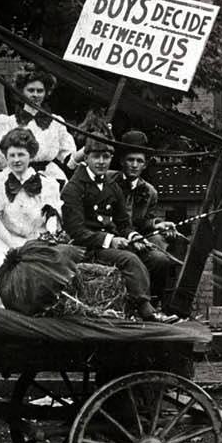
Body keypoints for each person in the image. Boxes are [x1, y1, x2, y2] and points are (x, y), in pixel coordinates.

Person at [60, 130, 179, 323]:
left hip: (111, 241)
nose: (101, 162)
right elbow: (77, 231)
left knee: (155, 257)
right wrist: (111, 240)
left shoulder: (110, 186)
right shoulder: (74, 188)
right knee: (129, 260)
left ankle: (155, 305)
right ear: (86, 158)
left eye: (106, 157)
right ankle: (145, 310)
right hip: (89, 247)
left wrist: (132, 237)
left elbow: (123, 222)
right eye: (96, 156)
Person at [0, 126, 62, 268]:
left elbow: (51, 215)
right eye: (12, 155)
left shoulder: (47, 183)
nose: (16, 160)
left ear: (30, 156)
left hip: (35, 239)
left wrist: (49, 236)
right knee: (9, 267)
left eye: (21, 155)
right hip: (4, 241)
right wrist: (14, 245)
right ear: (6, 157)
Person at [10, 68, 78, 184]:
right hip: (19, 175)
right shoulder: (9, 122)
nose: (35, 95)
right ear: (21, 91)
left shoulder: (56, 122)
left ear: (46, 92)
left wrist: (85, 151)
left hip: (50, 176)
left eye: (40, 91)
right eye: (31, 90)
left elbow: (68, 157)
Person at [117, 130, 178, 253]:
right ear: (122, 161)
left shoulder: (150, 192)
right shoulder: (109, 182)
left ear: (145, 165)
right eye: (130, 160)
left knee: (160, 252)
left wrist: (156, 224)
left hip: (138, 240)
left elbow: (144, 222)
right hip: (113, 239)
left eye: (139, 161)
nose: (134, 165)